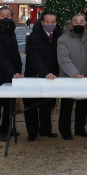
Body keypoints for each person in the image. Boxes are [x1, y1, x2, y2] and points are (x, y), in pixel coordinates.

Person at [23, 10, 63, 141]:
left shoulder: (59, 36)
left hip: (52, 76)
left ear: (56, 23)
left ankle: (46, 130)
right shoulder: (34, 37)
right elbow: (34, 58)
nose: (50, 24)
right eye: (47, 22)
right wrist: (45, 72)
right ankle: (32, 132)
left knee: (47, 104)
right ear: (42, 22)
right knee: (31, 105)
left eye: (53, 22)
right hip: (34, 75)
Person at [0, 6, 23, 141]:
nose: (6, 17)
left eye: (8, 15)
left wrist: (17, 70)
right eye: (3, 16)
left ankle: (7, 128)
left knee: (9, 104)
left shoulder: (9, 30)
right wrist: (13, 71)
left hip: (11, 74)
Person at [57, 13, 87, 140]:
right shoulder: (63, 39)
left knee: (83, 105)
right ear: (71, 23)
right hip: (68, 78)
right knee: (67, 106)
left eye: (81, 21)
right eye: (75, 21)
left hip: (85, 77)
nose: (78, 24)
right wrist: (74, 73)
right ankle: (65, 131)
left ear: (85, 23)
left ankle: (80, 128)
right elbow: (63, 59)